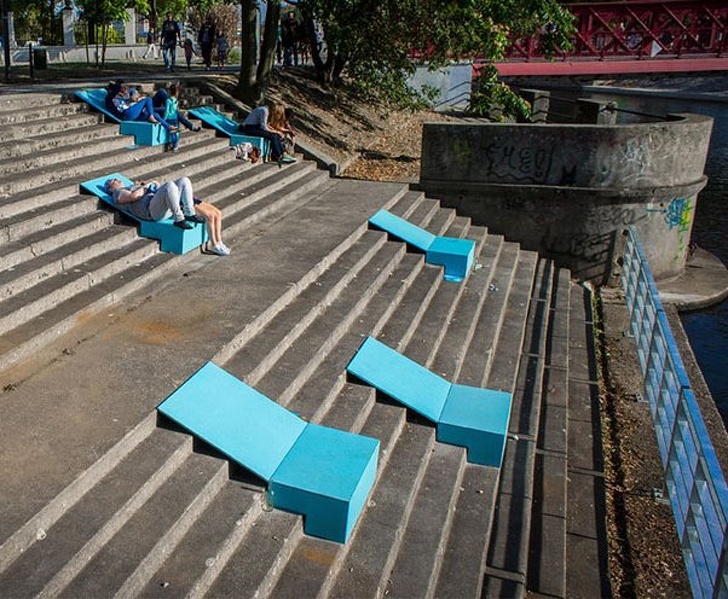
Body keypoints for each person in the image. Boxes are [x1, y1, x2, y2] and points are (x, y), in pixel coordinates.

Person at [104, 176, 204, 230]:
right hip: (150, 211)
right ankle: (179, 219)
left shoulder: (130, 186)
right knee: (169, 185)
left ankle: (189, 213)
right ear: (111, 188)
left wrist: (155, 186)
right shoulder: (117, 193)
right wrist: (148, 185)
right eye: (113, 181)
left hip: (158, 205)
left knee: (184, 180)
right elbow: (133, 197)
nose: (117, 179)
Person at [105, 81, 177, 133]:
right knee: (148, 100)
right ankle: (151, 117)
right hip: (126, 114)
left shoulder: (120, 97)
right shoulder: (109, 98)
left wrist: (132, 100)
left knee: (155, 114)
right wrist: (116, 84)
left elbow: (124, 104)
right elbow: (117, 89)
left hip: (132, 115)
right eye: (123, 88)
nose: (124, 90)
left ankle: (168, 127)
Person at [161, 83, 202, 151]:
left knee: (171, 134)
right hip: (175, 118)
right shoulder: (176, 101)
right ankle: (175, 146)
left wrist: (163, 119)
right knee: (175, 133)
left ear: (169, 91)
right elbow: (177, 110)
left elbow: (167, 111)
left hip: (169, 119)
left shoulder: (168, 101)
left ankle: (171, 145)